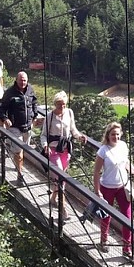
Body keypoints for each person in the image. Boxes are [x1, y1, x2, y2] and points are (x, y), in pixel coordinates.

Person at [92, 121, 134, 258]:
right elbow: (96, 172)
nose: (115, 137)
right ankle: (104, 240)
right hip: (107, 187)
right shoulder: (103, 151)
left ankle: (126, 249)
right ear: (108, 135)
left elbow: (126, 162)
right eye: (113, 134)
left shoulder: (123, 146)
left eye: (117, 134)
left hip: (122, 187)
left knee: (127, 218)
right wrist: (97, 191)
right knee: (106, 216)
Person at [40, 90, 87, 219]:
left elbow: (73, 130)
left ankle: (53, 199)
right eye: (60, 104)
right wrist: (45, 146)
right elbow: (43, 135)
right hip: (53, 150)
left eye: (64, 104)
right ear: (55, 104)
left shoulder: (69, 113)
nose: (62, 107)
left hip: (65, 150)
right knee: (62, 178)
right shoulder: (49, 117)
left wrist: (79, 137)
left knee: (59, 179)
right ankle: (63, 209)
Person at [0, 71, 38, 186]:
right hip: (15, 127)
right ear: (16, 80)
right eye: (21, 80)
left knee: (23, 150)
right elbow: (1, 108)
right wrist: (5, 119)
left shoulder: (30, 89)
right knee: (19, 151)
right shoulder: (10, 93)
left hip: (28, 126)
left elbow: (34, 102)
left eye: (25, 80)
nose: (23, 82)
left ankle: (16, 162)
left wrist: (34, 115)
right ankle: (20, 175)